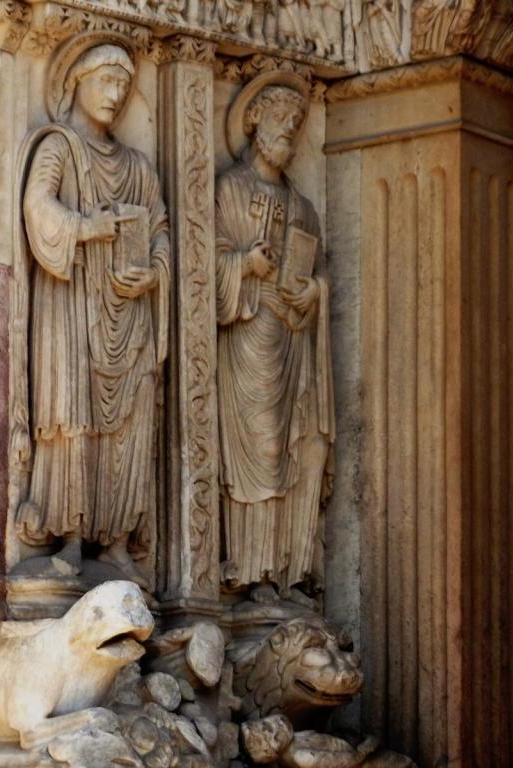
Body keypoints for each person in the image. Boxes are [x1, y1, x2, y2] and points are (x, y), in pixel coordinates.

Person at [15, 39, 170, 587]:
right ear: (76, 81)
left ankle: (120, 538)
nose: (115, 95)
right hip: (71, 306)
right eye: (105, 81)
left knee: (129, 423)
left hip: (127, 312)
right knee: (73, 414)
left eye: (124, 87)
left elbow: (160, 231)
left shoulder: (138, 166)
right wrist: (86, 229)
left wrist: (153, 271)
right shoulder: (58, 148)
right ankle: (72, 533)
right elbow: (38, 207)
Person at [216, 71, 334, 605]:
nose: (290, 130)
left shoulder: (303, 206)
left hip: (292, 340)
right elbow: (207, 263)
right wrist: (245, 264)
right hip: (247, 338)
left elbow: (320, 270)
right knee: (259, 448)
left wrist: (314, 291)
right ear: (255, 121)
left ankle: (286, 571)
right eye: (281, 120)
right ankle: (251, 572)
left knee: (295, 450)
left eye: (297, 124)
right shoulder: (230, 189)